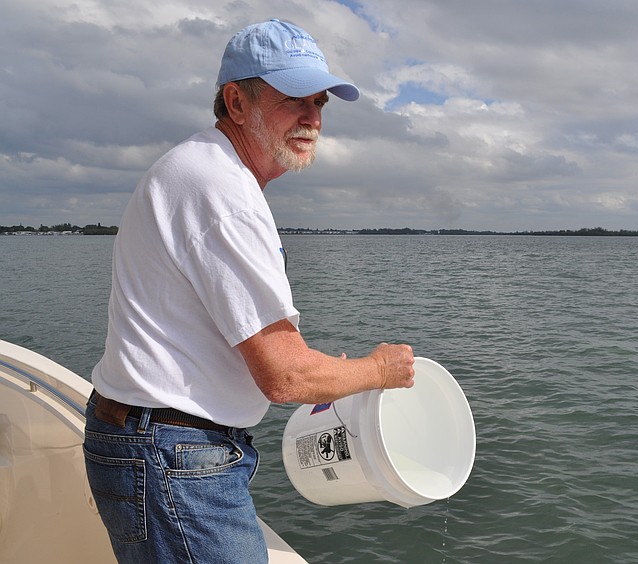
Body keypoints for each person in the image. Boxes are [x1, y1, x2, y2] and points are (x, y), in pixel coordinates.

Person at [83, 19, 415, 563]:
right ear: (236, 102)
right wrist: (379, 371)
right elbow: (286, 376)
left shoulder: (203, 168)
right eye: (293, 100)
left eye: (320, 102)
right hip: (173, 458)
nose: (312, 118)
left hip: (149, 440)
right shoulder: (222, 192)